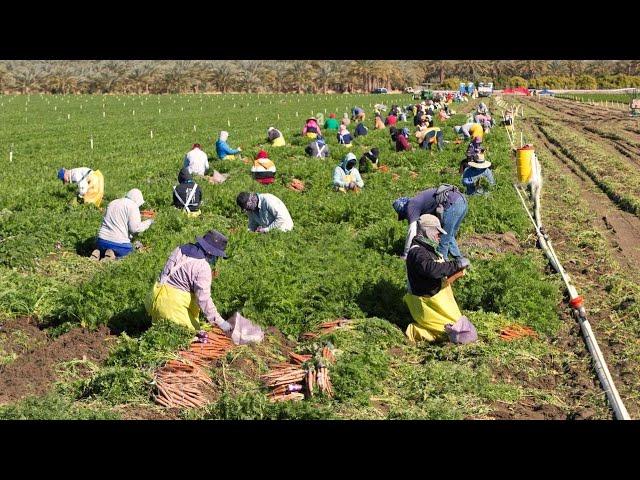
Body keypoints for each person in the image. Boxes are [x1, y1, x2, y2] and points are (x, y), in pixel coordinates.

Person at [403, 214, 474, 343]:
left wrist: (456, 271)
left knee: (462, 331)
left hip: (437, 300)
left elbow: (437, 269)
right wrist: (456, 264)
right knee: (448, 335)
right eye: (437, 232)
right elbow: (432, 269)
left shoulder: (428, 249)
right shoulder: (417, 252)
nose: (439, 236)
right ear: (427, 230)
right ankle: (415, 330)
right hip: (427, 304)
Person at [145, 230, 233, 333]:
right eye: (217, 256)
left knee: (160, 333)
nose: (216, 259)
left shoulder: (180, 249)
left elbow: (166, 273)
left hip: (155, 299)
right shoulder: (203, 266)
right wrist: (220, 322)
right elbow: (203, 299)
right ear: (211, 252)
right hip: (173, 308)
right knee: (188, 338)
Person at [393, 185, 468, 260]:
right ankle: (460, 260)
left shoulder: (411, 206)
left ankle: (443, 264)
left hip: (453, 204)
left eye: (405, 216)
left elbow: (412, 231)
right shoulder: (418, 202)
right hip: (462, 201)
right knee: (449, 234)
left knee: (443, 237)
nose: (407, 218)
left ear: (403, 210)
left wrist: (406, 254)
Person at [91, 188, 154, 261]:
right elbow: (134, 229)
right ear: (137, 200)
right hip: (118, 245)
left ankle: (99, 253)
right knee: (130, 254)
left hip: (101, 241)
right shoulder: (133, 206)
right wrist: (149, 222)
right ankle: (112, 257)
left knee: (104, 247)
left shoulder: (113, 202)